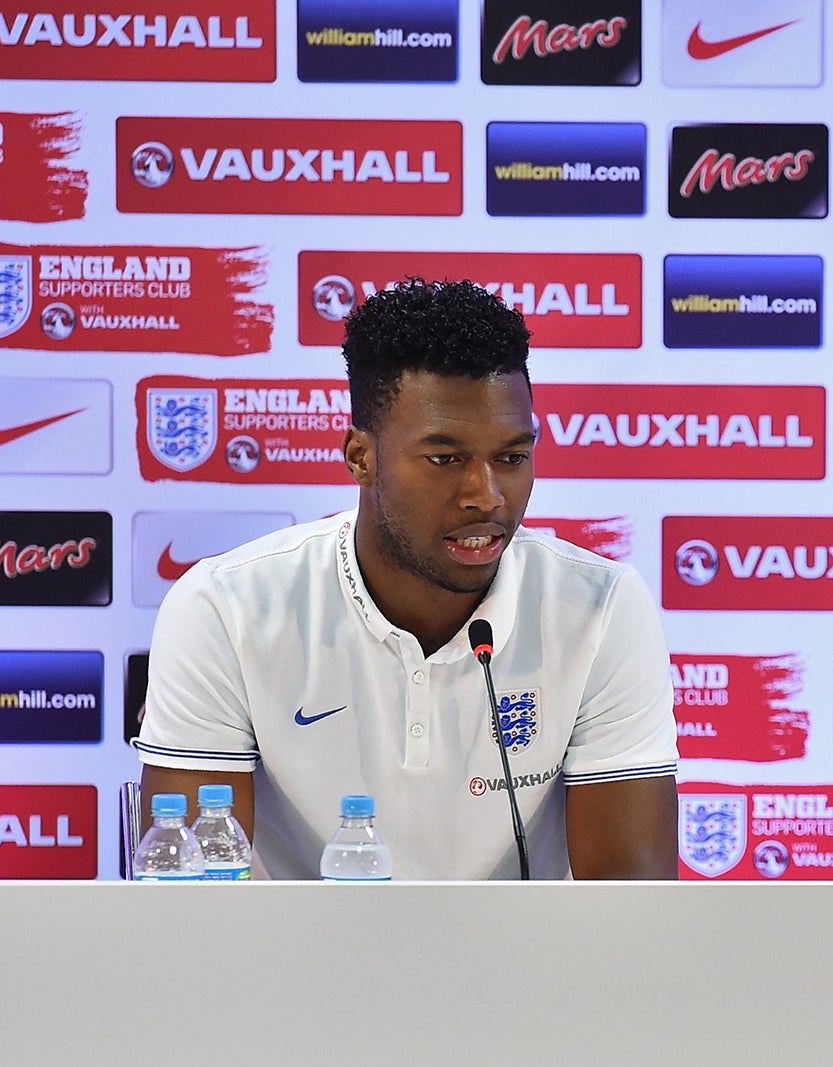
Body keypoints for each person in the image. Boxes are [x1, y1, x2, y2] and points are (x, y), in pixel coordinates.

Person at [135, 279, 679, 879]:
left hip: (527, 973)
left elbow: (633, 906)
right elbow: (189, 901)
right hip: (290, 971)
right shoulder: (226, 608)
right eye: (445, 459)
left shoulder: (600, 608)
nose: (486, 496)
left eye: (512, 457)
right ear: (359, 456)